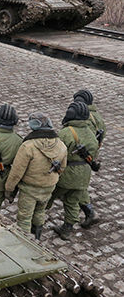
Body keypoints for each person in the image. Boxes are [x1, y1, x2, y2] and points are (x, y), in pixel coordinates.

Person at [5, 112, 67, 239]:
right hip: (48, 187)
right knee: (40, 211)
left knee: (24, 217)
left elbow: (17, 172)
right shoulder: (61, 145)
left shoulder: (28, 146)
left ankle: (24, 244)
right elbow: (62, 168)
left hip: (30, 189)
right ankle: (37, 237)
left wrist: (9, 188)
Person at [49, 102, 100, 240]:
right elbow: (94, 154)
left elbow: (56, 153)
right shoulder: (91, 133)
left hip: (66, 174)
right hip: (83, 175)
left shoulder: (65, 133)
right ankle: (66, 229)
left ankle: (35, 224)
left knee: (47, 198)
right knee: (72, 202)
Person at [73, 89, 106, 227]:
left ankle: (88, 213)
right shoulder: (97, 117)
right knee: (79, 185)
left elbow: (84, 137)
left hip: (82, 156)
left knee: (76, 186)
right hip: (90, 155)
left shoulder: (86, 118)